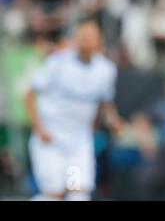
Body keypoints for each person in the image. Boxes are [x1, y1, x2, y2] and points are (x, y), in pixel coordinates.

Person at [25, 20, 123, 201]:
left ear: (99, 41)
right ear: (75, 39)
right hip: (50, 140)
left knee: (78, 193)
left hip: (78, 143)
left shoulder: (106, 70)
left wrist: (113, 121)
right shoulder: (57, 62)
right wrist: (39, 128)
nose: (85, 41)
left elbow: (105, 103)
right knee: (54, 194)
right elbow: (29, 95)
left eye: (90, 37)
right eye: (82, 37)